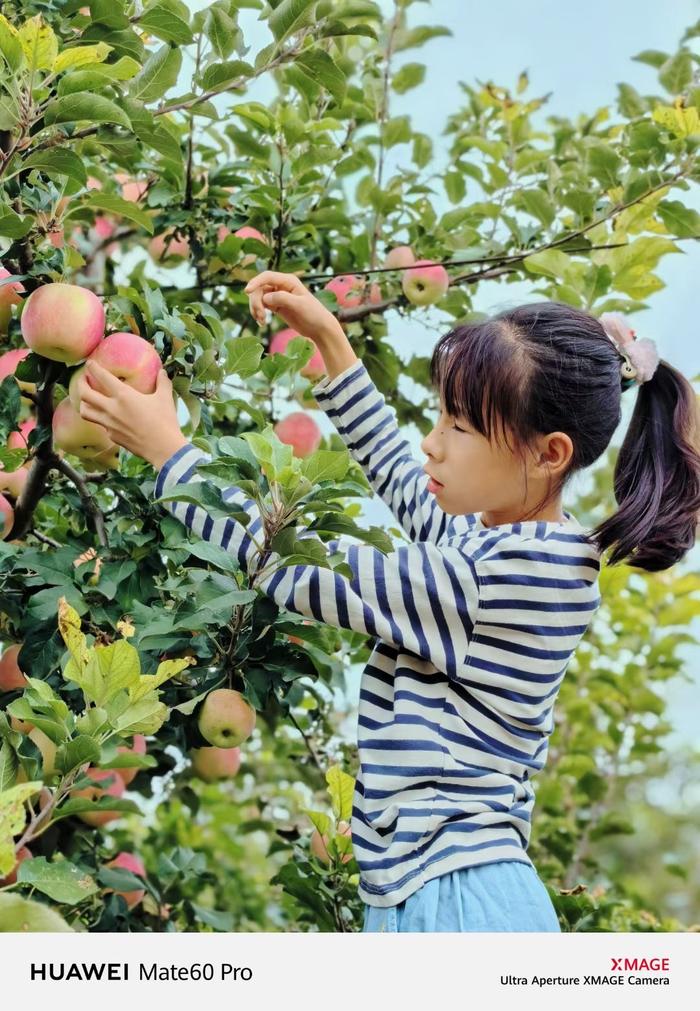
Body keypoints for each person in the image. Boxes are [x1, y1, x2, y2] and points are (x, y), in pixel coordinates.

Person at [77, 271, 700, 932]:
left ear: (548, 454)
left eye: (458, 425)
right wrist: (332, 344)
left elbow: (298, 569)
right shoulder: (512, 548)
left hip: (457, 901)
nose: (433, 441)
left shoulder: (495, 578)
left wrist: (170, 454)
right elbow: (408, 485)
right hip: (440, 885)